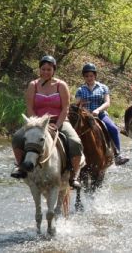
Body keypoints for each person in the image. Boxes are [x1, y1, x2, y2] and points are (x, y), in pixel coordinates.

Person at [11, 55, 84, 188]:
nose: (45, 72)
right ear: (39, 69)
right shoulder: (33, 85)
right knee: (17, 137)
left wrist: (57, 126)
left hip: (59, 120)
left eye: (48, 69)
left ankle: (74, 175)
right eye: (43, 69)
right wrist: (37, 124)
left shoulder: (61, 85)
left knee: (75, 141)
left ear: (53, 70)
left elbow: (65, 108)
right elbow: (29, 107)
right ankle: (20, 167)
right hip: (37, 122)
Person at [75, 63, 129, 166]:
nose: (89, 78)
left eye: (91, 75)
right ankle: (72, 157)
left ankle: (118, 154)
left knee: (113, 128)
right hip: (85, 116)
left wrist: (98, 110)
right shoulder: (80, 90)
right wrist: (82, 106)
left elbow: (107, 102)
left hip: (100, 114)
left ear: (95, 75)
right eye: (86, 76)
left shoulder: (103, 87)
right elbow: (77, 104)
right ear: (84, 77)